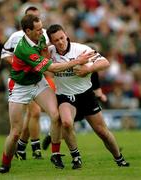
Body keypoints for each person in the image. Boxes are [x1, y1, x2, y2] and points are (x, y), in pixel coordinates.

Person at [0, 14, 94, 174]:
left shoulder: (40, 37)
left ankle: (55, 154)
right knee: (15, 132)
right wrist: (77, 61)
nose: (41, 32)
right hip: (20, 87)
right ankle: (5, 163)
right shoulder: (23, 48)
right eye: (37, 29)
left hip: (38, 83)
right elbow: (52, 68)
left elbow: (46, 51)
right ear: (27, 31)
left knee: (56, 116)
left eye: (41, 27)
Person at [44, 24, 130, 169]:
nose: (60, 42)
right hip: (65, 96)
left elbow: (105, 63)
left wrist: (88, 69)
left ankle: (119, 158)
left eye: (62, 38)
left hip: (86, 95)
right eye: (56, 40)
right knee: (66, 123)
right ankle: (76, 157)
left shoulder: (81, 49)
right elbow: (42, 63)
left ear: (66, 35)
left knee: (102, 131)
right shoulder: (49, 52)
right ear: (51, 42)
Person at [1, 6, 52, 160]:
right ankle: (24, 146)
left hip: (36, 77)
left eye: (38, 17)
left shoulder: (43, 34)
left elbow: (46, 54)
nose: (37, 23)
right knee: (28, 117)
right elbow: (4, 54)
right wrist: (20, 63)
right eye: (32, 17)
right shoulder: (16, 37)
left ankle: (29, 146)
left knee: (36, 113)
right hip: (21, 79)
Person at [42, 71, 107, 151]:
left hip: (84, 98)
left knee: (69, 124)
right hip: (72, 99)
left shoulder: (91, 70)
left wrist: (100, 95)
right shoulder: (80, 68)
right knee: (68, 124)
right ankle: (55, 138)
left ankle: (51, 135)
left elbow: (96, 86)